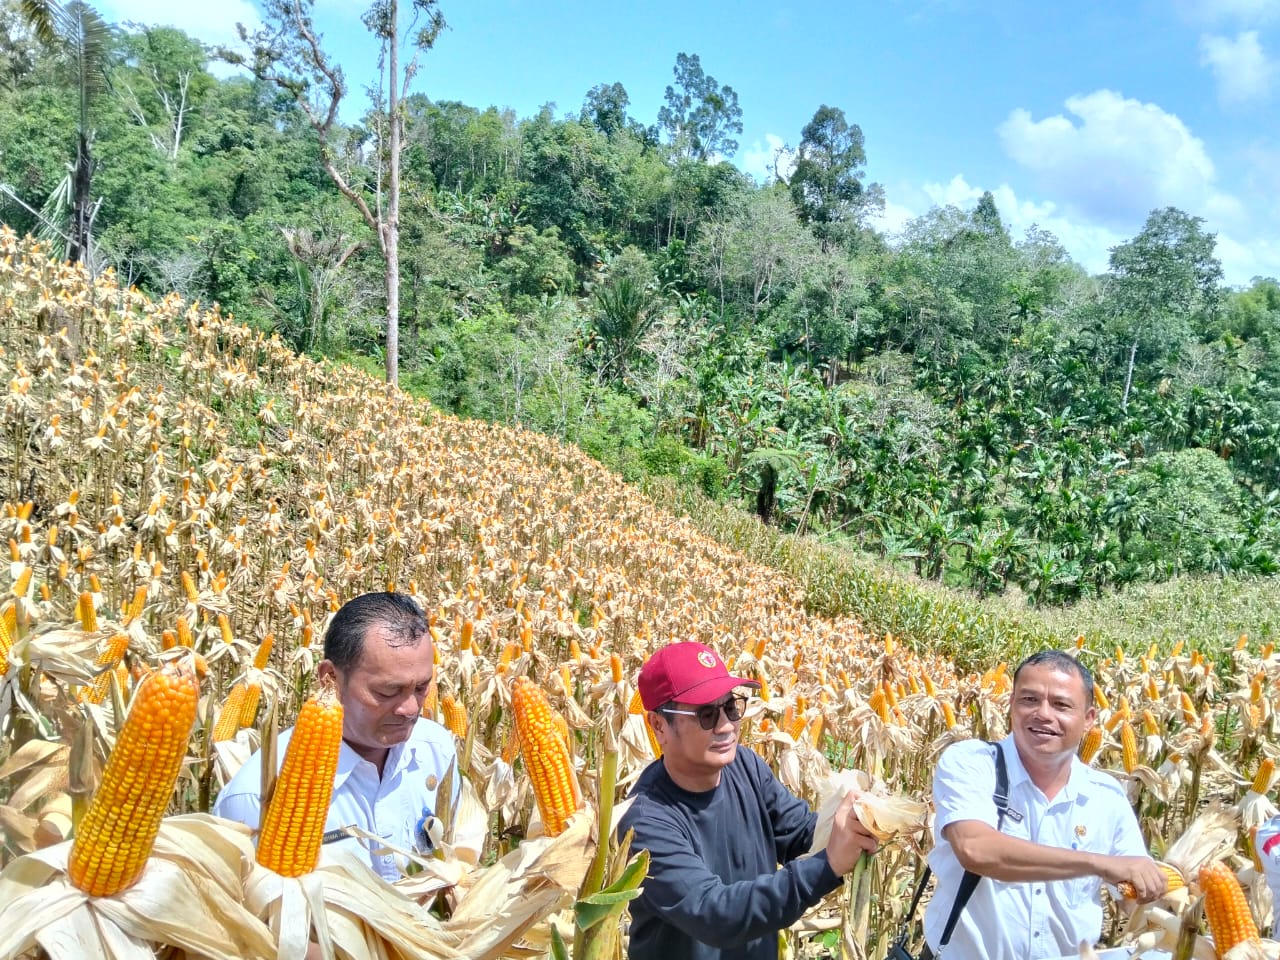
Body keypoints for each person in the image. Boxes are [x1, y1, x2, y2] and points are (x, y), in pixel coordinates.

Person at [618, 641, 880, 960]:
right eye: (706, 714)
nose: (726, 726)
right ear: (659, 725)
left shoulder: (746, 766)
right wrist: (828, 866)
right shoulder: (645, 821)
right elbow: (715, 914)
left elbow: (800, 833)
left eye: (731, 707)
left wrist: (855, 822)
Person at [923, 650, 1168, 960]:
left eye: (1061, 705)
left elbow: (1134, 898)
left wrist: (1173, 888)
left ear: (1089, 719)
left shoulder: (1107, 797)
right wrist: (1099, 863)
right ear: (1011, 704)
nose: (1043, 714)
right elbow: (975, 850)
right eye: (1029, 700)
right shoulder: (972, 763)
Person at [214, 591, 461, 880]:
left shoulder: (437, 749)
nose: (410, 709)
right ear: (329, 677)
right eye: (388, 691)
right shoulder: (257, 797)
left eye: (421, 688)